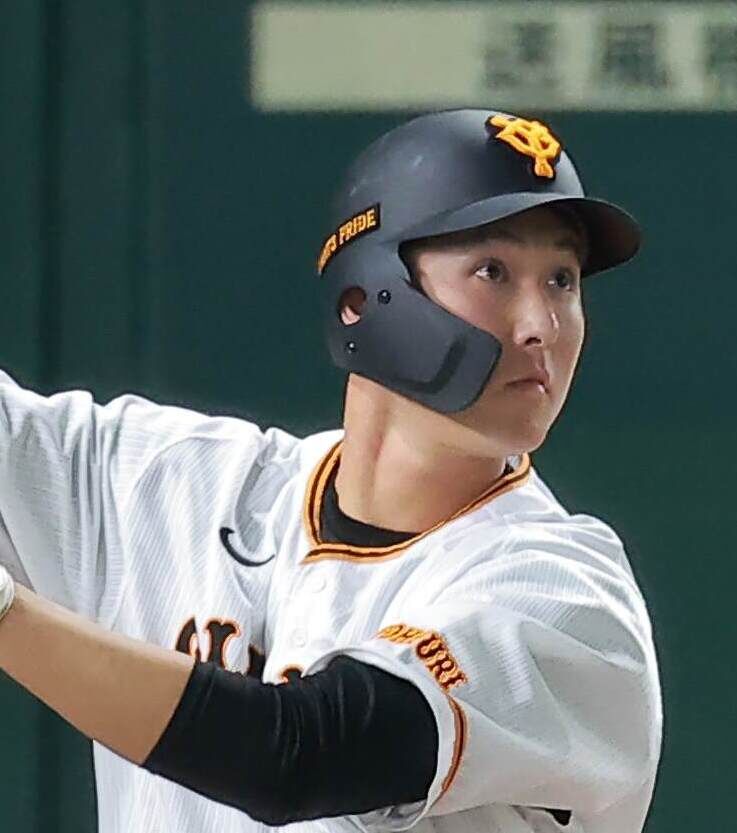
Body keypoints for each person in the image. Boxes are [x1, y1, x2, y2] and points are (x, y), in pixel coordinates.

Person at [0, 109, 663, 833]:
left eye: (562, 279)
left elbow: (298, 755)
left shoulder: (564, 594)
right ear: (361, 299)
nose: (541, 325)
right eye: (492, 272)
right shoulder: (174, 482)